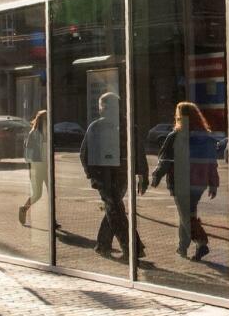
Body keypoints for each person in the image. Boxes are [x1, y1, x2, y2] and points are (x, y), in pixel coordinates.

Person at [80, 92, 148, 259]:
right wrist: (142, 175)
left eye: (102, 106)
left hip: (108, 177)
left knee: (114, 210)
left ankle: (131, 249)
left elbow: (84, 153)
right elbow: (139, 153)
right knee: (115, 209)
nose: (101, 109)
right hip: (115, 177)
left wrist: (92, 175)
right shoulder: (122, 126)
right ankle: (107, 245)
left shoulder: (99, 127)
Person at [151, 101, 219, 261]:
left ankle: (201, 243)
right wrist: (213, 183)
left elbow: (165, 160)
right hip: (199, 183)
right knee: (188, 214)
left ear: (179, 116)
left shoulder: (174, 136)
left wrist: (156, 176)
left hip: (180, 183)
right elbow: (212, 163)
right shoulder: (205, 137)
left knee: (186, 216)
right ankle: (182, 248)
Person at [19, 110, 48, 226]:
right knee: (37, 194)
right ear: (41, 120)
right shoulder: (34, 134)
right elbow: (28, 155)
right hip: (37, 167)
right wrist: (33, 168)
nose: (48, 121)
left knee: (52, 193)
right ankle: (23, 208)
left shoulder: (47, 133)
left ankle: (53, 220)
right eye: (46, 119)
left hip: (47, 168)